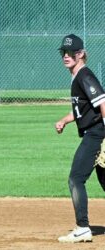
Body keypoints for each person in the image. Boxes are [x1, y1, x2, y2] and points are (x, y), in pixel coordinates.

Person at [55, 34, 105, 243]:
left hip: (96, 133)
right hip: (94, 131)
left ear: (81, 54)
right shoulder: (77, 76)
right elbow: (82, 109)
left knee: (76, 178)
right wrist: (65, 120)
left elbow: (103, 102)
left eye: (71, 52)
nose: (66, 56)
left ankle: (82, 227)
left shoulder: (84, 75)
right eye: (63, 52)